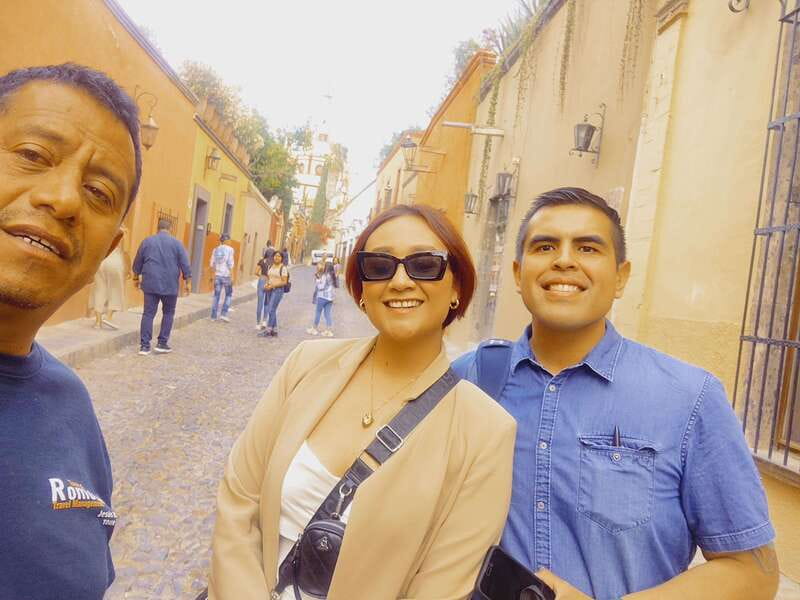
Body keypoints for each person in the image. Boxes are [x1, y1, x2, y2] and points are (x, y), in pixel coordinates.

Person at [452, 187, 778, 600]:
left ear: (621, 277)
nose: (564, 260)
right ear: (518, 274)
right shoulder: (469, 380)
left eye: (588, 248)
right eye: (545, 245)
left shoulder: (688, 399)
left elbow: (753, 571)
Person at [208, 204, 516, 599]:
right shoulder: (306, 365)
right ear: (362, 289)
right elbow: (238, 502)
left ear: (457, 287)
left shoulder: (485, 431)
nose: (401, 280)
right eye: (379, 265)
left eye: (425, 264)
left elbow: (441, 588)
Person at [0, 63, 140, 600]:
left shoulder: (69, 407)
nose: (63, 199)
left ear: (108, 248)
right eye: (33, 155)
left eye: (99, 192)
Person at [132, 218, 191, 355]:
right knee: (168, 313)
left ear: (157, 228)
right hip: (170, 285)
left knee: (148, 314)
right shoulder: (177, 244)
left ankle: (144, 346)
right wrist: (188, 281)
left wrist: (136, 277)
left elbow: (138, 261)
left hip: (150, 283)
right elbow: (185, 263)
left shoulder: (147, 241)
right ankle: (162, 343)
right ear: (170, 229)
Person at [90, 225, 130, 330]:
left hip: (102, 261)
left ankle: (98, 322)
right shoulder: (123, 232)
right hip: (115, 261)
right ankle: (108, 317)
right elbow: (125, 251)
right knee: (115, 290)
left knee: (99, 290)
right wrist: (128, 268)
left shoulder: (106, 228)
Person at [257, 250, 289, 337]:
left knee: (271, 309)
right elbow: (268, 277)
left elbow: (284, 282)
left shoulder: (283, 268)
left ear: (282, 258)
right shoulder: (270, 266)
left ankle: (268, 330)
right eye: (275, 256)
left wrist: (273, 285)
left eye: (279, 256)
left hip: (278, 290)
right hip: (269, 290)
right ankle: (274, 330)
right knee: (272, 309)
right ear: (273, 257)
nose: (277, 257)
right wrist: (267, 284)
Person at [307, 261, 337, 337]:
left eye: (324, 266)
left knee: (318, 313)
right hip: (330, 298)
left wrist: (317, 281)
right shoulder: (333, 276)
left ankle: (314, 329)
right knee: (327, 314)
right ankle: (328, 331)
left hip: (322, 297)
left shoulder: (325, 276)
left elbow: (321, 287)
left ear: (326, 268)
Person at [210, 233, 234, 323]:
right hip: (226, 275)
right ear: (226, 240)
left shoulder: (215, 250)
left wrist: (214, 274)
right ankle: (223, 314)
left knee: (216, 296)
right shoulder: (230, 249)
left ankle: (213, 316)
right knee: (229, 295)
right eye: (229, 240)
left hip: (217, 275)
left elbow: (212, 263)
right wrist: (232, 276)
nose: (230, 241)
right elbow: (230, 263)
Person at [254, 248, 273, 330]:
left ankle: (258, 323)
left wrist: (261, 277)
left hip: (262, 280)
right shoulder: (273, 263)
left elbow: (256, 272)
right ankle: (265, 321)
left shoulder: (262, 261)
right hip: (270, 281)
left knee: (260, 303)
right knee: (267, 302)